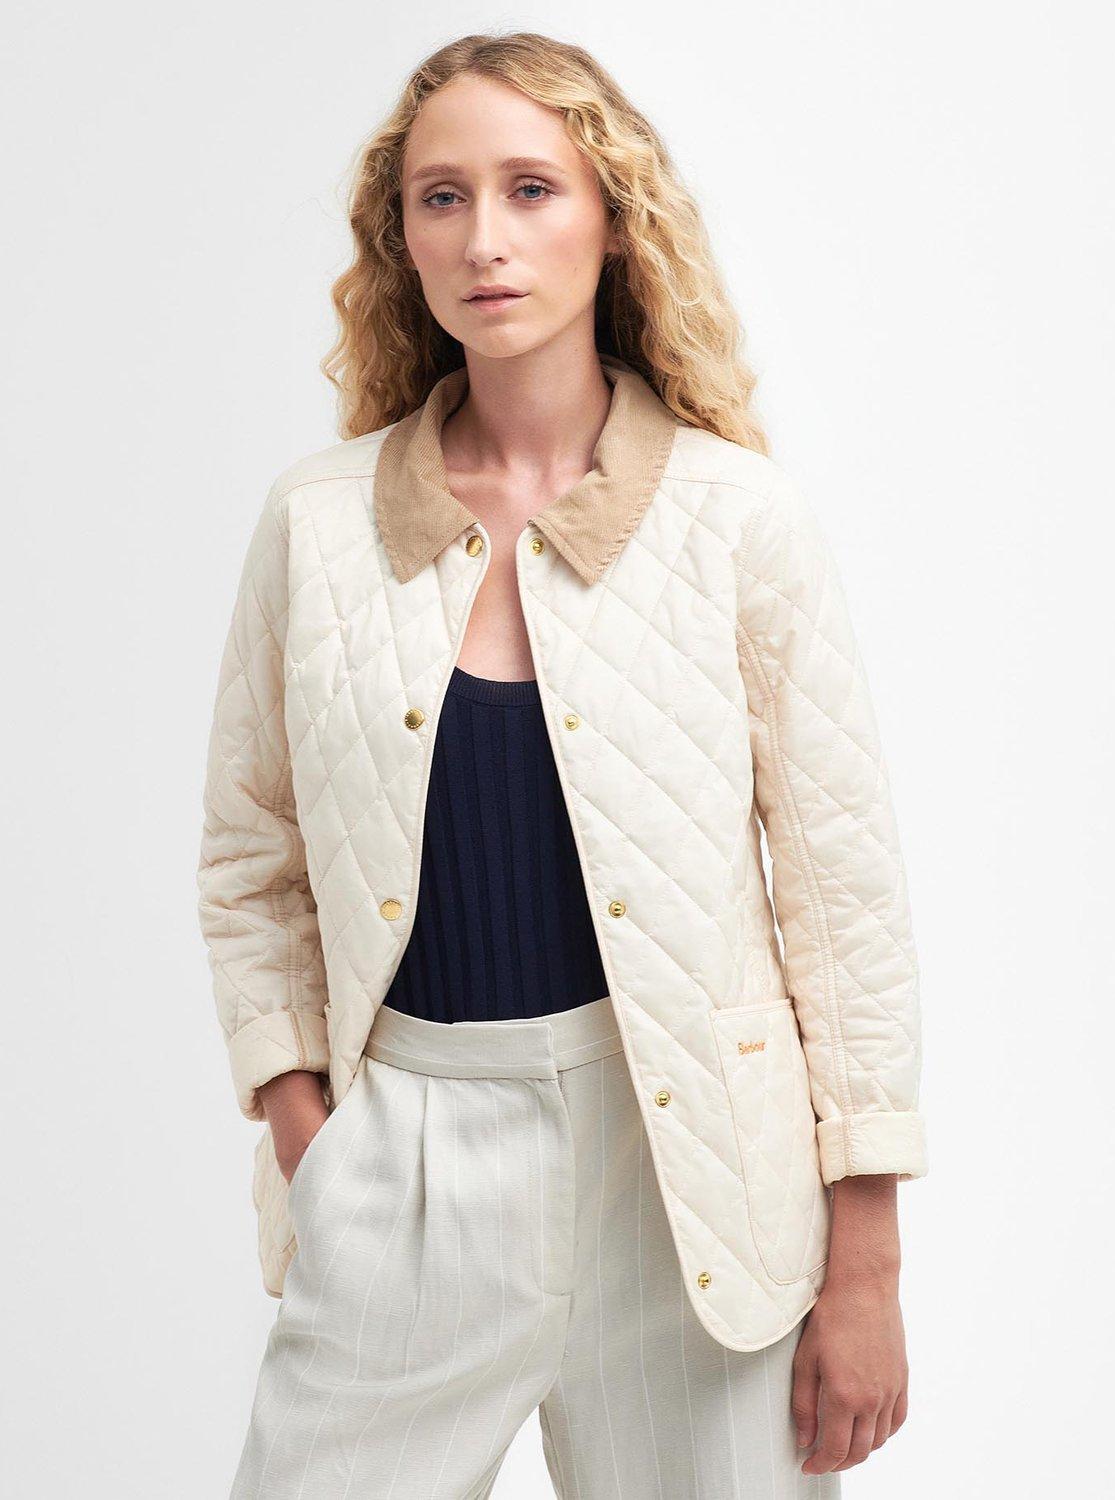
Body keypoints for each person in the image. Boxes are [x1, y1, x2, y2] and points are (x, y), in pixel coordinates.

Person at [197, 30, 928, 1499]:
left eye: (531, 189)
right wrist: (308, 1134)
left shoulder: (738, 522)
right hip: (402, 1164)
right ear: (401, 239)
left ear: (612, 217)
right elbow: (249, 857)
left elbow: (842, 910)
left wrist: (865, 1269)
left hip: (691, 1182)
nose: (485, 238)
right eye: (442, 197)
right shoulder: (317, 526)